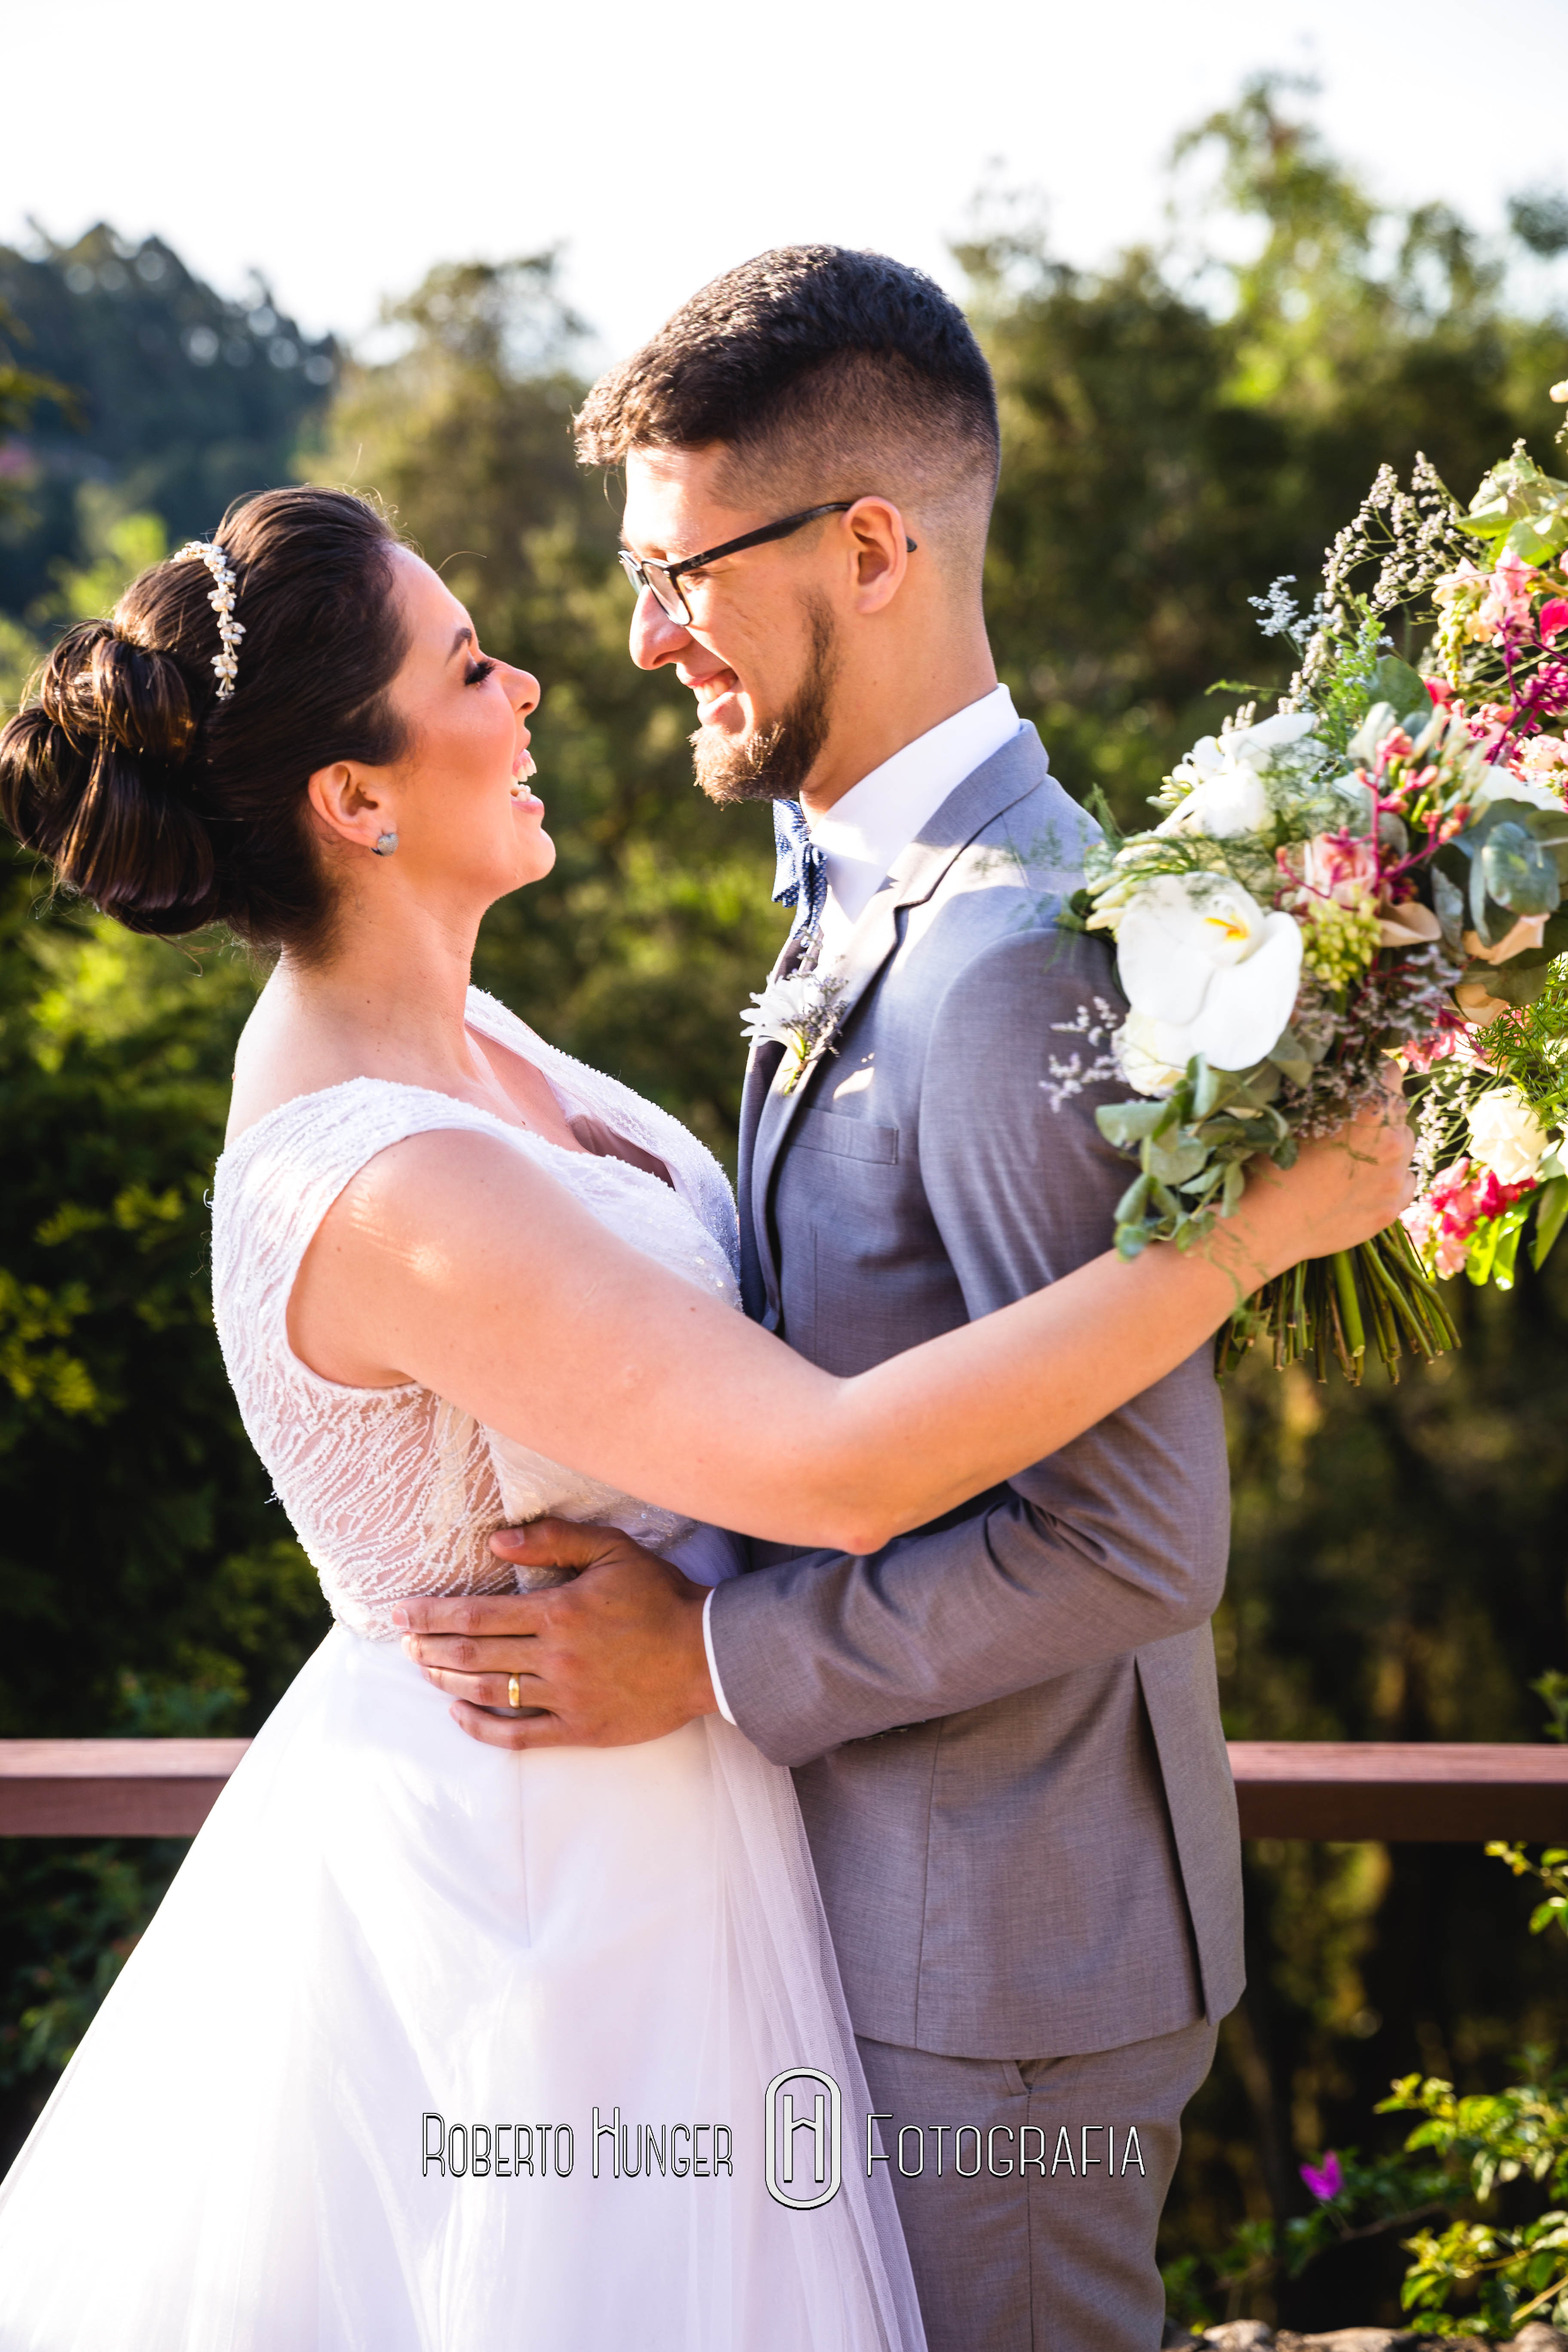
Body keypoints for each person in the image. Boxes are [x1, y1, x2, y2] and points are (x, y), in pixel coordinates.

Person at [0, 483, 1407, 2352]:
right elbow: (831, 1472)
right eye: (471, 666)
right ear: (357, 798)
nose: (531, 695)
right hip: (537, 1916)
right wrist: (1247, 1239)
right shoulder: (383, 1177)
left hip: (680, 1838)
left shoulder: (475, 1039)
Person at [395, 245, 1377, 2352]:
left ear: (870, 544)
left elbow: (1132, 1533)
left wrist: (718, 1666)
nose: (647, 639)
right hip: (872, 1928)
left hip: (1001, 1977)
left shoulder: (1020, 953)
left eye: (685, 574)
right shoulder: (866, 874)